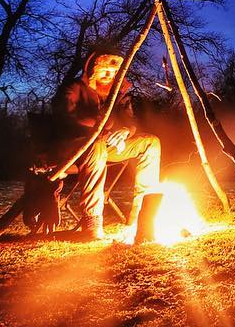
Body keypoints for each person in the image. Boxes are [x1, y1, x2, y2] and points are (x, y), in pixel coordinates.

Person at [52, 48, 161, 240]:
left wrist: (126, 131)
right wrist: (99, 130)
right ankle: (92, 221)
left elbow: (129, 119)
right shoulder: (74, 88)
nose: (109, 74)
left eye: (113, 71)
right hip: (74, 148)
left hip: (106, 146)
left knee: (150, 143)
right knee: (96, 144)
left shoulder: (118, 93)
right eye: (104, 69)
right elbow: (64, 117)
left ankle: (142, 213)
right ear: (93, 69)